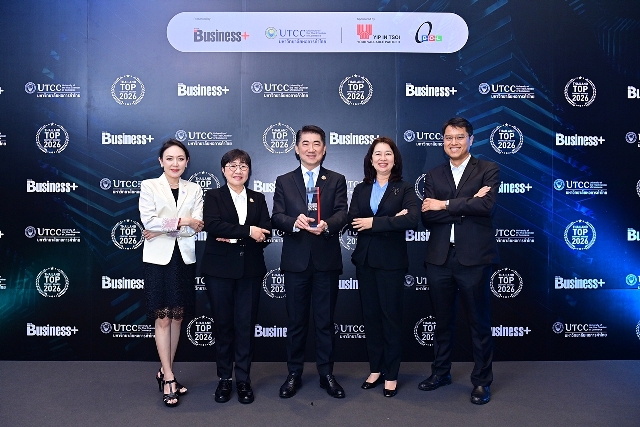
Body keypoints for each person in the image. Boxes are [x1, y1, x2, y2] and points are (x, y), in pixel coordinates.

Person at [418, 117, 499, 405]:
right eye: (449, 137)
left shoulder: (487, 169)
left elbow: (486, 206)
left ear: (470, 139)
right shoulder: (433, 174)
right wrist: (467, 203)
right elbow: (428, 216)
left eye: (460, 137)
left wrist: (445, 204)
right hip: (439, 258)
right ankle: (440, 373)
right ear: (443, 141)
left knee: (479, 323)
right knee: (442, 322)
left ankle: (482, 382)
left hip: (474, 259)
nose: (454, 142)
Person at [271, 124, 348, 399]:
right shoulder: (284, 180)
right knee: (296, 322)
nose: (311, 149)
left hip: (326, 261)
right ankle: (294, 374)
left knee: (325, 322)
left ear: (324, 149)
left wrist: (327, 225)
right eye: (305, 143)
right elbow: (276, 216)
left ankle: (327, 374)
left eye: (317, 144)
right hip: (296, 263)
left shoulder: (336, 179)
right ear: (296, 148)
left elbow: (343, 213)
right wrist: (295, 222)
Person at [347, 137, 418, 397]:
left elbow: (412, 219)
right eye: (378, 154)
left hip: (391, 264)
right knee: (371, 317)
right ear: (371, 159)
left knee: (390, 318)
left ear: (395, 159)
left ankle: (392, 373)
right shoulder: (361, 188)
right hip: (365, 261)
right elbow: (353, 220)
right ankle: (375, 369)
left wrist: (374, 223)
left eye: (388, 153)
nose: (383, 158)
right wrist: (391, 220)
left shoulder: (405, 188)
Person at [201, 149, 271, 404]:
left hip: (250, 271)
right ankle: (224, 379)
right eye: (232, 166)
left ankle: (243, 379)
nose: (238, 170)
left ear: (249, 171)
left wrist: (232, 236)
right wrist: (248, 231)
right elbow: (213, 225)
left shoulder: (258, 198)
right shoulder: (213, 196)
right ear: (223, 170)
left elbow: (267, 232)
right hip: (219, 272)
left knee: (245, 326)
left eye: (243, 166)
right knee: (223, 326)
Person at [138, 139, 204, 407]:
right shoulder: (149, 186)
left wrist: (162, 229)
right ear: (161, 161)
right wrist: (183, 220)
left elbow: (197, 227)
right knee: (163, 318)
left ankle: (165, 370)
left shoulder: (195, 189)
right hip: (158, 260)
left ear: (187, 162)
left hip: (183, 259)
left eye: (180, 159)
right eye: (169, 158)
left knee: (177, 317)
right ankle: (168, 378)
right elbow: (148, 220)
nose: (175, 163)